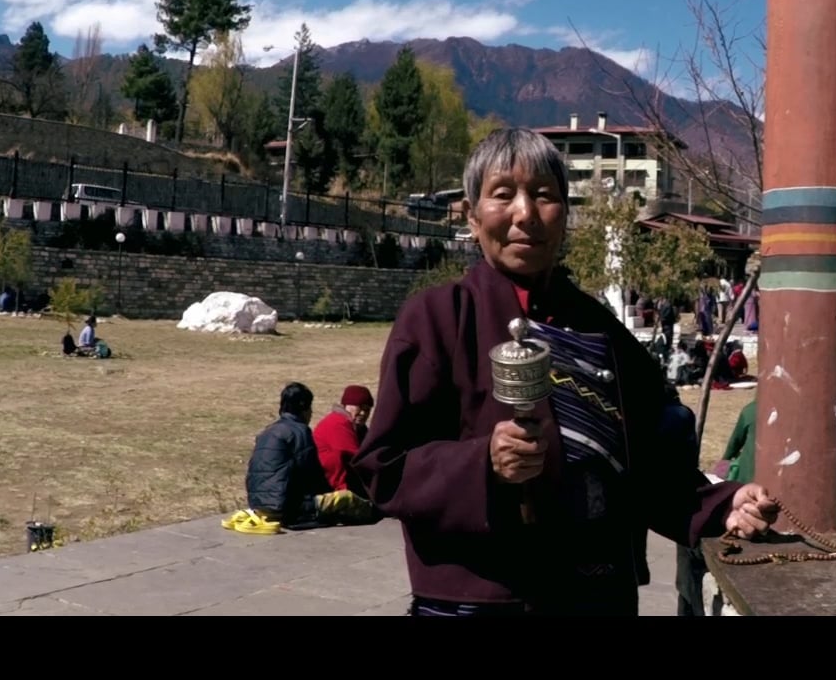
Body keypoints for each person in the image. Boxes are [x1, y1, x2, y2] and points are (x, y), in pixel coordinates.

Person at [351, 127, 780, 617]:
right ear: (471, 216)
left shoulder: (602, 330)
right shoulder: (437, 318)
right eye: (503, 194)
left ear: (565, 215)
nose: (525, 214)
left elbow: (649, 468)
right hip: (480, 600)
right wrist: (482, 463)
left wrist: (723, 506)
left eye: (543, 196)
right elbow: (383, 469)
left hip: (596, 595)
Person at [240, 383, 374, 529]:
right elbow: (311, 473)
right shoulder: (300, 432)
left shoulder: (269, 431)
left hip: (258, 506)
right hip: (284, 508)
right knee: (348, 500)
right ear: (305, 409)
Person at [313, 385, 374, 492]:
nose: (363, 413)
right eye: (360, 407)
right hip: (330, 485)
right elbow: (357, 458)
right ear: (347, 405)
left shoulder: (359, 428)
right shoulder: (337, 422)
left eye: (367, 410)